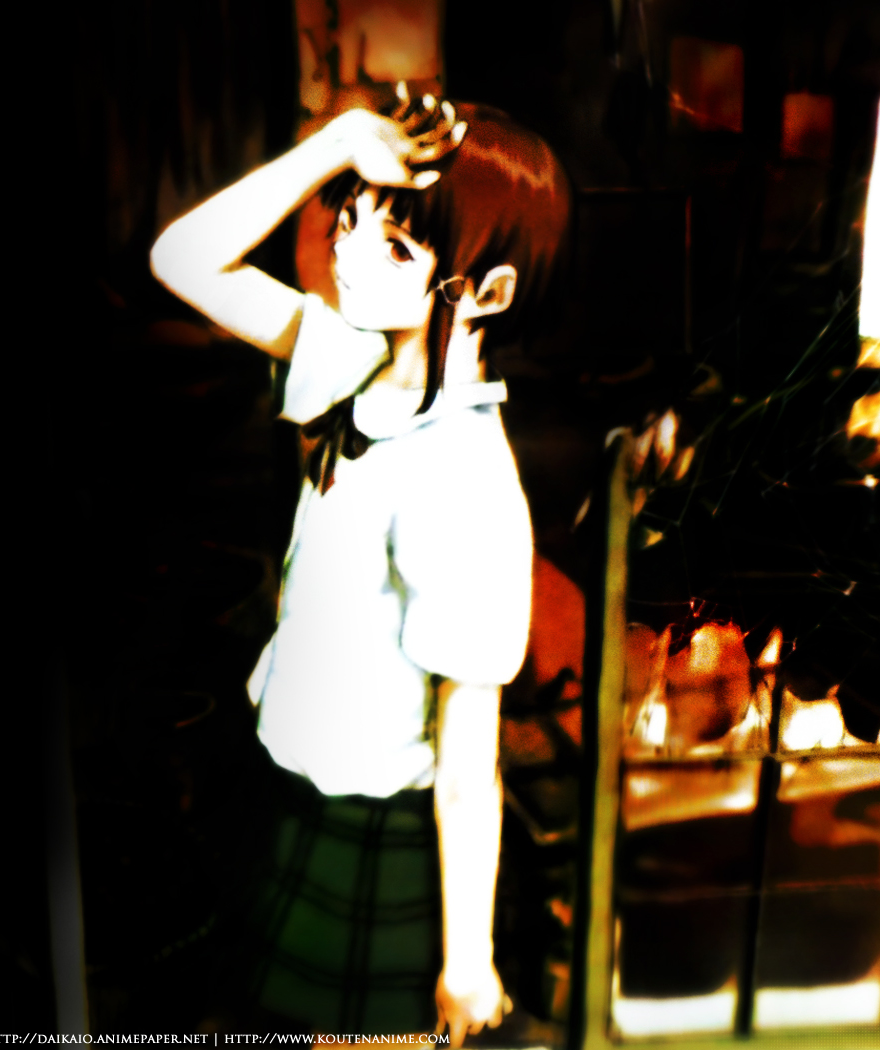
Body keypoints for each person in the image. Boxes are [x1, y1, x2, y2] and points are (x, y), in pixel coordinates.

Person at [151, 86, 571, 1042]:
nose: (349, 250)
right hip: (284, 784)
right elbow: (181, 259)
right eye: (350, 220)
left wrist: (467, 960)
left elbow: (468, 758)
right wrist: (336, 144)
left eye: (396, 245)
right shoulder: (350, 360)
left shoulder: (466, 476)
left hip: (376, 826)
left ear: (488, 292)